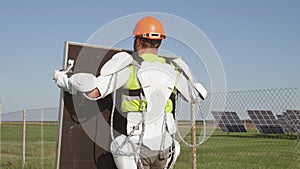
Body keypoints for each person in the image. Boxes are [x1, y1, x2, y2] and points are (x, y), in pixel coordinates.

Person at [53, 16, 207, 169]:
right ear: (159, 42)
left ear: (138, 41)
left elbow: (94, 92)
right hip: (166, 150)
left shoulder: (129, 66)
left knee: (118, 145)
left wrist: (64, 81)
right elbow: (195, 97)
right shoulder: (174, 68)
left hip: (137, 149)